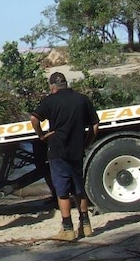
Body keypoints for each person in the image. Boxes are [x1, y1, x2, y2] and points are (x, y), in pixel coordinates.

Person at [30, 72, 100, 241]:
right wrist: (87, 142)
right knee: (78, 189)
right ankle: (86, 226)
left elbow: (34, 118)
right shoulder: (82, 99)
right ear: (66, 84)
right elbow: (95, 124)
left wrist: (41, 136)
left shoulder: (50, 100)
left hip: (57, 149)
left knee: (62, 191)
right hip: (76, 149)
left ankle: (67, 229)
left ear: (52, 87)